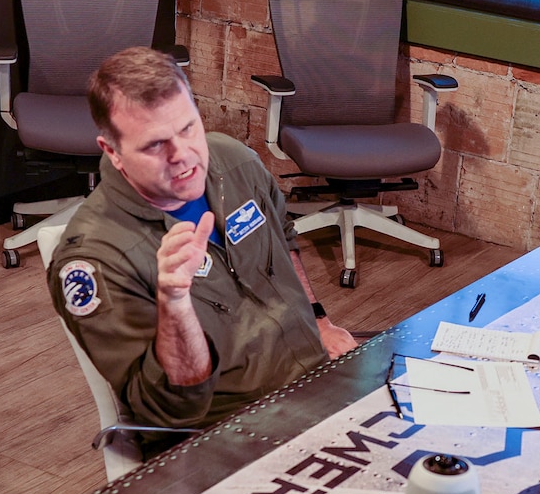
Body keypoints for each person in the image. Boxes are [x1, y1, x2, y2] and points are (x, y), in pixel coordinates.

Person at [46, 47, 357, 435]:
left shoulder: (233, 161)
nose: (183, 155)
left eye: (188, 127)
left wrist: (320, 320)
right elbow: (168, 410)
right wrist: (174, 303)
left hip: (314, 379)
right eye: (155, 144)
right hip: (228, 429)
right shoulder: (94, 259)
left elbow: (284, 234)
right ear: (114, 152)